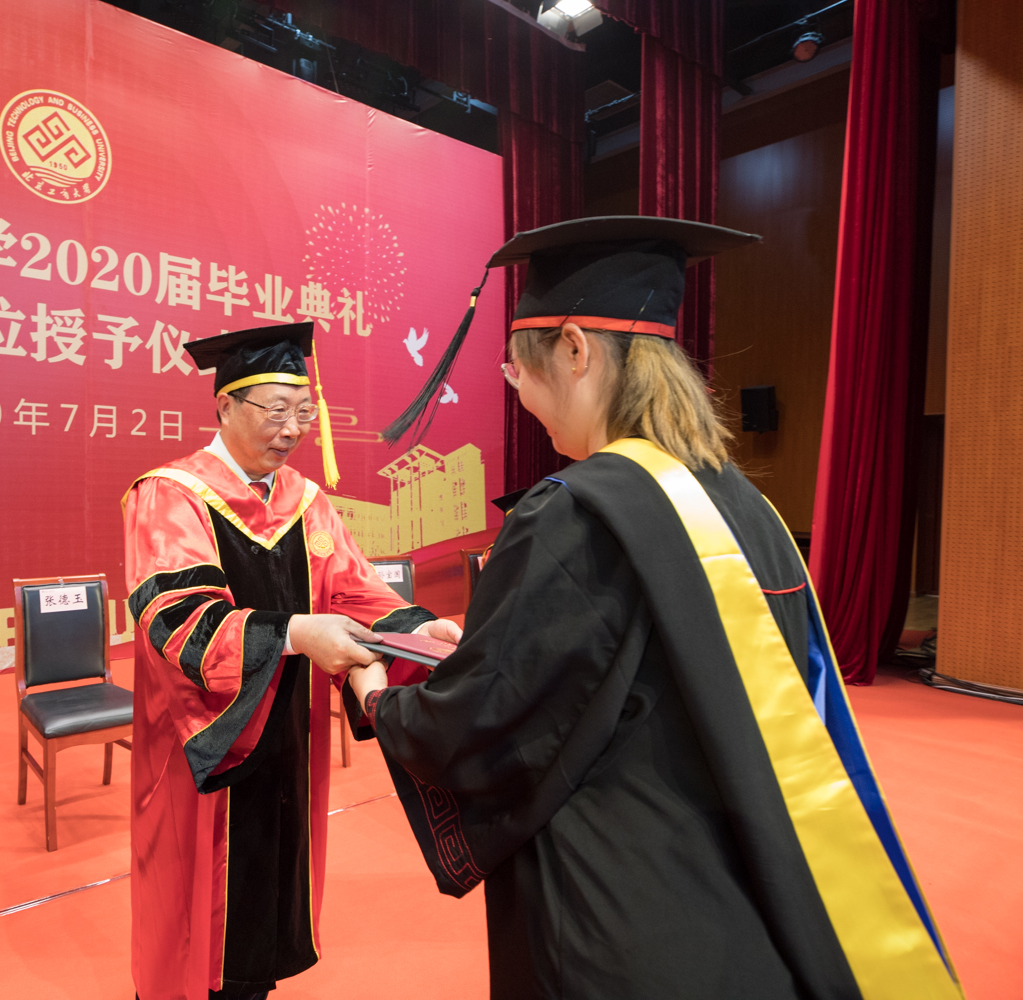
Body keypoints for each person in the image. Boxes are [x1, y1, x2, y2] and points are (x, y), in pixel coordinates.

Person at [346, 217, 964, 1000]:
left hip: (613, 906)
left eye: (516, 371)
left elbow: (484, 724)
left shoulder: (573, 512)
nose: (521, 395)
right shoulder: (747, 506)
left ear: (576, 349)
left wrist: (377, 693)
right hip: (741, 896)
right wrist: (498, 638)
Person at [123, 323, 463, 1000]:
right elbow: (177, 619)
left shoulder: (304, 501)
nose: (293, 429)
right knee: (200, 911)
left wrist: (420, 628)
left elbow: (356, 588)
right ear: (224, 406)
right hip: (206, 735)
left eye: (304, 412)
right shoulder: (171, 494)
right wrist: (296, 633)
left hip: (287, 732)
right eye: (276, 410)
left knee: (270, 891)